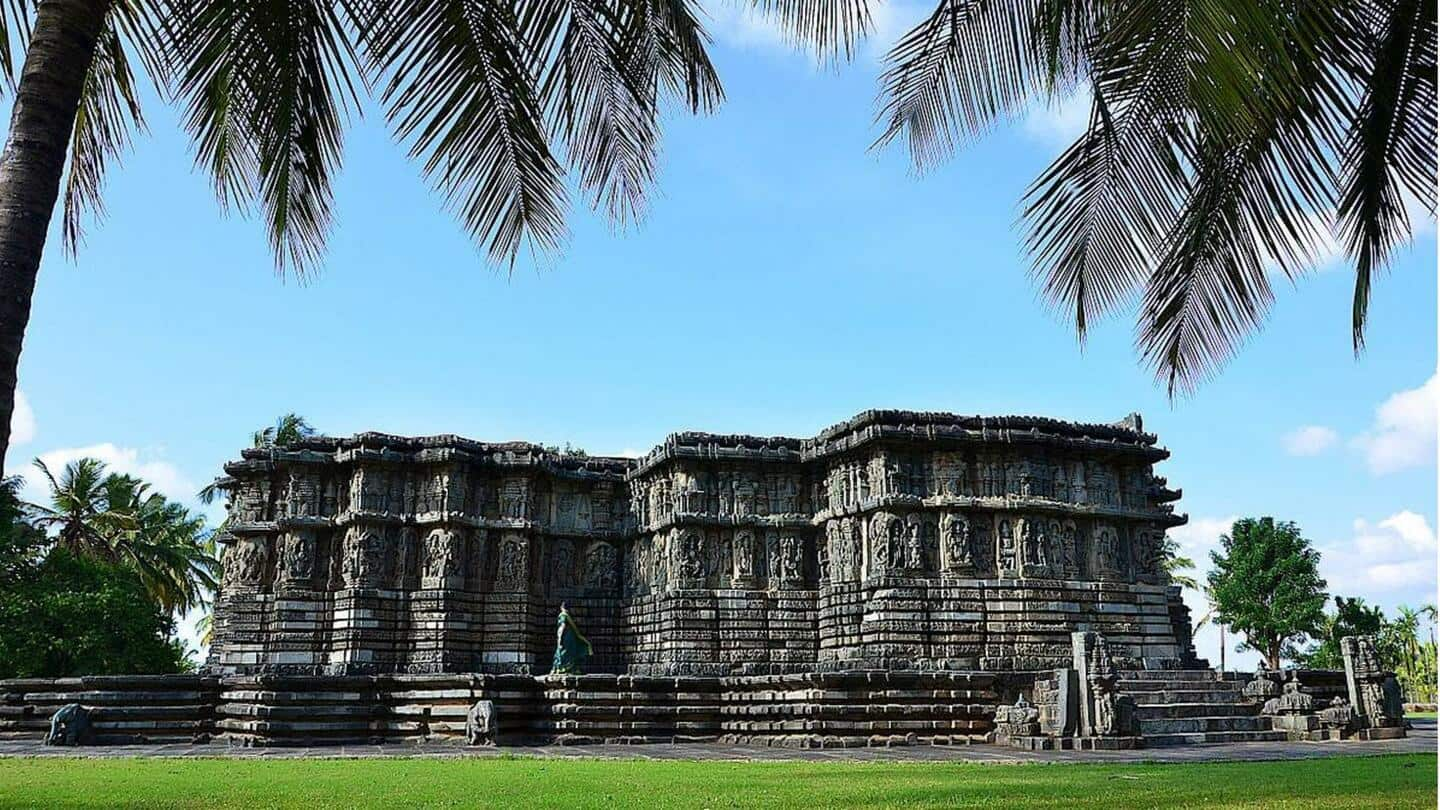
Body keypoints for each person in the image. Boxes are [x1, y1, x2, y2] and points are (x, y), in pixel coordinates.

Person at [552, 602, 592, 674]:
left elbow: (562, 626)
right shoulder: (569, 616)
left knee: (563, 652)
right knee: (570, 652)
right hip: (571, 637)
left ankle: (561, 668)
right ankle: (570, 668)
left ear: (561, 608)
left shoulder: (562, 615)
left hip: (566, 637)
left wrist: (560, 637)